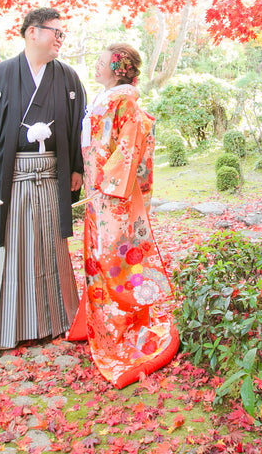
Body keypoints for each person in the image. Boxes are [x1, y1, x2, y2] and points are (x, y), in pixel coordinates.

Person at [0, 8, 87, 349]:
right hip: (10, 180)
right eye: (55, 32)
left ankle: (57, 321)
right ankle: (6, 328)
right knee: (10, 249)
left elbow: (77, 128)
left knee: (50, 246)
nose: (60, 39)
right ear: (32, 32)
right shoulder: (1, 75)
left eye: (62, 33)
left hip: (51, 178)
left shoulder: (68, 78)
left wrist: (77, 168)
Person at [66, 43, 179, 388]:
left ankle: (127, 326)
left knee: (117, 261)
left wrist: (108, 186)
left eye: (101, 63)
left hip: (113, 198)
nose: (96, 67)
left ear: (117, 69)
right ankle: (105, 325)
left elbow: (131, 146)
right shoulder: (106, 99)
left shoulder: (125, 102)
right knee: (99, 260)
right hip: (99, 197)